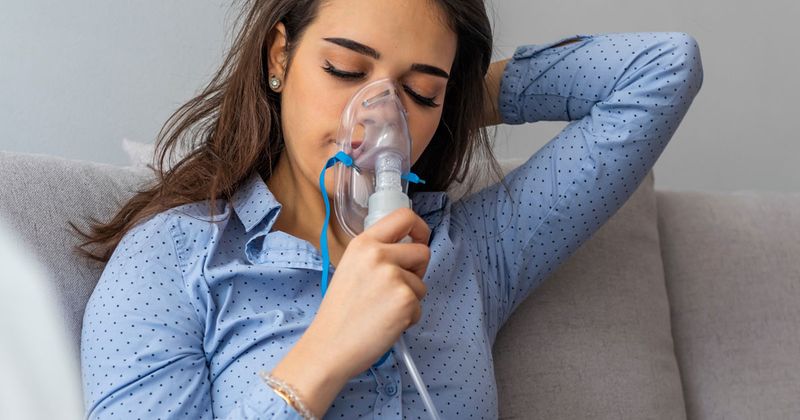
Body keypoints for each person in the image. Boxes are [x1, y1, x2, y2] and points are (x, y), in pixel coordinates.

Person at [75, 0, 704, 418]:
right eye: (346, 70)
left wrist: (453, 105)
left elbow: (663, 69)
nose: (378, 118)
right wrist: (326, 350)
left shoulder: (469, 253)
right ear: (280, 57)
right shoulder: (176, 259)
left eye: (420, 90)